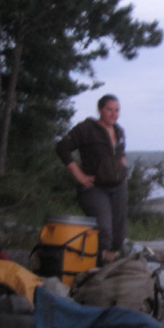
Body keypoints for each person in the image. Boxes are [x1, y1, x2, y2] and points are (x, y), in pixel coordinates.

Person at [56, 94, 128, 264]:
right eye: (109, 109)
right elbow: (62, 148)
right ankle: (93, 267)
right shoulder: (86, 129)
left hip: (118, 187)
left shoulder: (119, 130)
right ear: (100, 110)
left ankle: (106, 270)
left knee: (118, 235)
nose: (113, 114)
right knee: (104, 230)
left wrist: (124, 175)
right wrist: (78, 174)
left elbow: (121, 155)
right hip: (95, 187)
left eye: (116, 110)